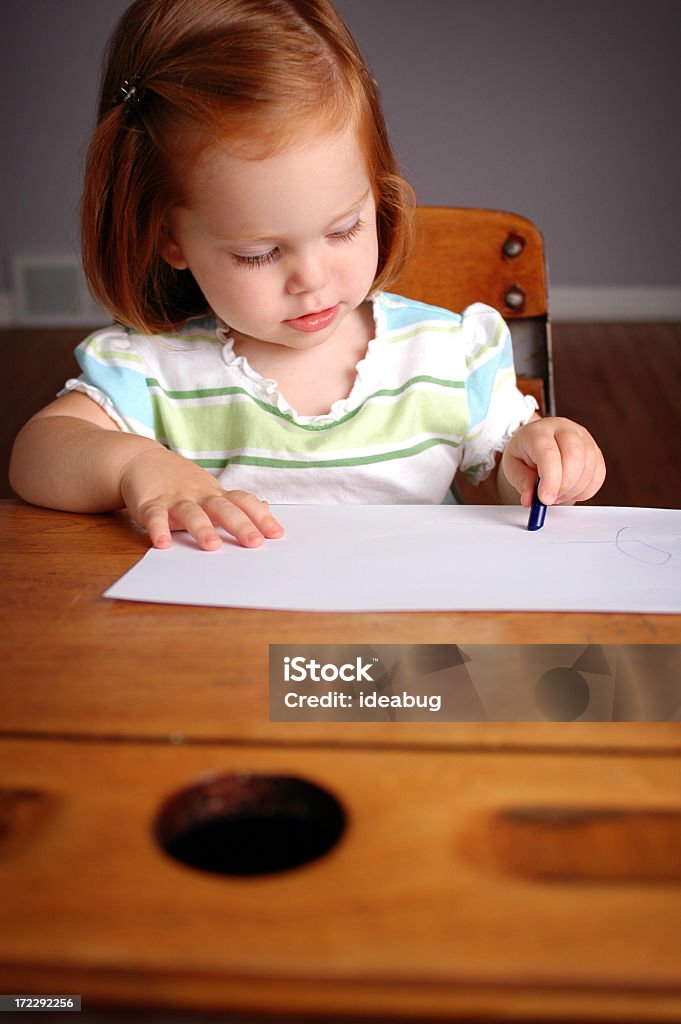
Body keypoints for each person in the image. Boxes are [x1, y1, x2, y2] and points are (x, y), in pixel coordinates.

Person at [10, 0, 605, 551]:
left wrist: (537, 459)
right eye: (259, 254)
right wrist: (132, 466)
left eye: (344, 228)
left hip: (407, 647)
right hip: (218, 650)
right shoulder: (155, 370)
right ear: (169, 238)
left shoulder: (446, 355)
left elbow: (510, 483)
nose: (313, 280)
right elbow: (37, 454)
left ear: (378, 195)